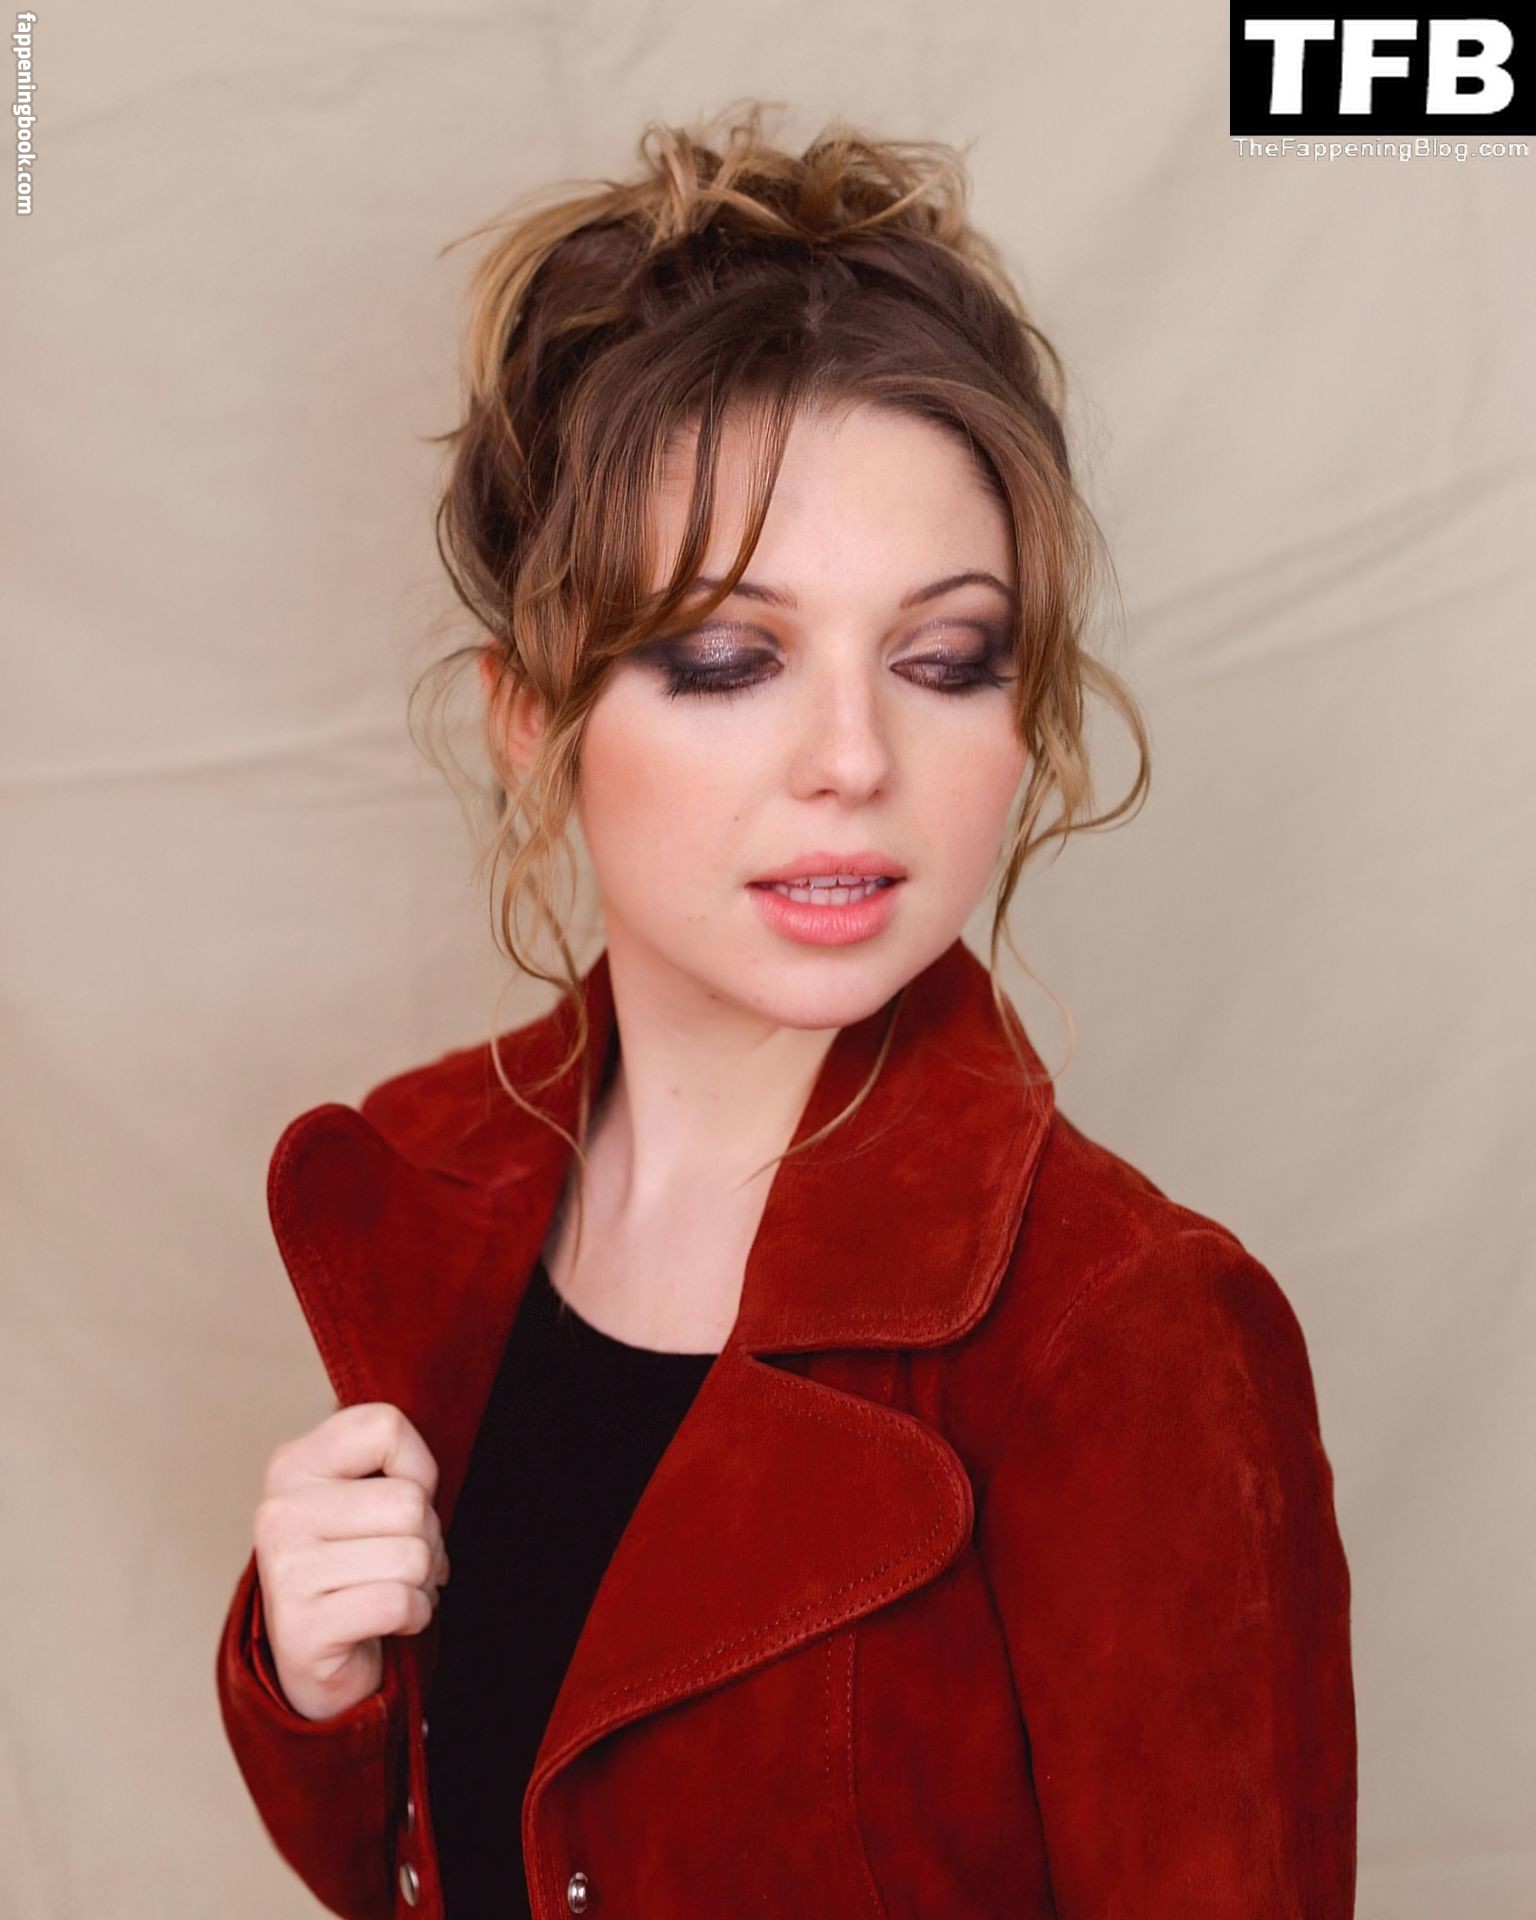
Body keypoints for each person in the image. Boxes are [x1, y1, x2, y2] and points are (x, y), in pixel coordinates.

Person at [215, 102, 1357, 1919]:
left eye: (946, 659)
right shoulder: (438, 1186)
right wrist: (320, 1686)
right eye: (729, 659)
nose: (853, 759)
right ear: (534, 717)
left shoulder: (1127, 1333)